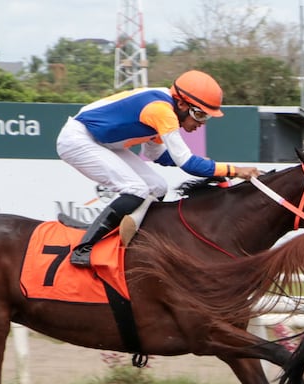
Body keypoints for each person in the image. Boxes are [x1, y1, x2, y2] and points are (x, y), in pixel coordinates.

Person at [56, 70, 263, 267]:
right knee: (136, 188)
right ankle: (84, 248)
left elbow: (156, 154)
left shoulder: (166, 108)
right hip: (79, 139)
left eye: (206, 117)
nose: (201, 123)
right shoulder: (161, 111)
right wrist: (234, 170)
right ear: (181, 103)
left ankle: (119, 237)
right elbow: (187, 163)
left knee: (157, 186)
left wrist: (211, 166)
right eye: (200, 115)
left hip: (105, 143)